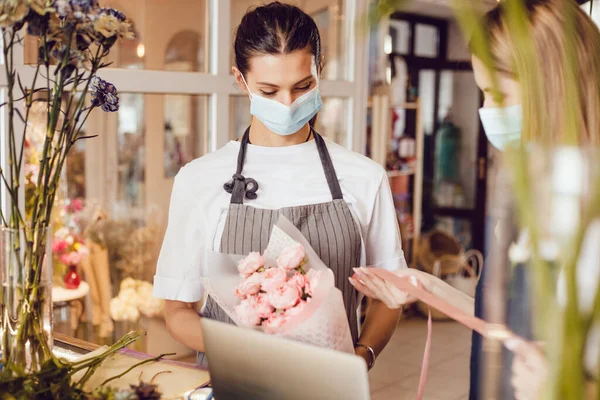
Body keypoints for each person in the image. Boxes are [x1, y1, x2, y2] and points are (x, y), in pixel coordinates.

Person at [351, 0, 600, 398]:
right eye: (482, 94)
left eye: (498, 96)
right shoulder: (533, 196)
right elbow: (502, 323)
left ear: (554, 86)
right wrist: (423, 287)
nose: (486, 113)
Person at [153, 2, 405, 369]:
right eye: (269, 91)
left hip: (328, 384)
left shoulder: (364, 176)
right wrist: (252, 350)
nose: (287, 104)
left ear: (319, 71)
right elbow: (177, 310)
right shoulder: (199, 178)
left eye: (302, 86)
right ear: (241, 81)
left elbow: (388, 294)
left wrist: (362, 356)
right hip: (233, 380)